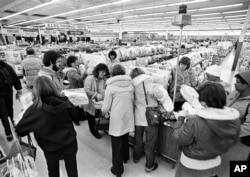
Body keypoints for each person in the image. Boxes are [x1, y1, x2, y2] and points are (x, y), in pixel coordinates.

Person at [173, 82, 240, 177]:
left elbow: (179, 138)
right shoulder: (233, 121)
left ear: (204, 102)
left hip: (191, 166)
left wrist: (180, 119)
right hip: (214, 164)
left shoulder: (195, 122)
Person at [15, 76, 78, 177]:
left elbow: (20, 130)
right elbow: (76, 115)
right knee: (72, 169)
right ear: (52, 86)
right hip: (69, 142)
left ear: (35, 90)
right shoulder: (64, 101)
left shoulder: (34, 110)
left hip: (50, 147)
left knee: (53, 170)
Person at [101, 64, 134, 177]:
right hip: (128, 115)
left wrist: (103, 112)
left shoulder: (110, 87)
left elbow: (106, 107)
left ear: (113, 74)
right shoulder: (130, 85)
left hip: (117, 117)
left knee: (116, 143)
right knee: (125, 137)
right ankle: (125, 158)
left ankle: (117, 169)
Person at [218, 71, 250, 177]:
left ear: (246, 85)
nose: (234, 84)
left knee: (230, 169)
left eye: (237, 82)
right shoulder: (235, 93)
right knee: (219, 165)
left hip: (238, 143)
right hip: (222, 139)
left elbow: (248, 127)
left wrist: (228, 131)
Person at [130, 67, 160, 172]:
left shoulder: (131, 85)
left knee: (138, 140)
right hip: (150, 117)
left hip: (138, 117)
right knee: (150, 143)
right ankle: (149, 166)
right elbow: (158, 94)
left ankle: (136, 157)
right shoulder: (148, 81)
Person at [84, 63, 109, 139]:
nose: (104, 74)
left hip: (99, 102)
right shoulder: (89, 79)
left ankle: (99, 127)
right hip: (90, 102)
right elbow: (86, 90)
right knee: (91, 117)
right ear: (97, 71)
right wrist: (95, 94)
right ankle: (93, 131)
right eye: (102, 72)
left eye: (105, 72)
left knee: (98, 116)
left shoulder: (102, 80)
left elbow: (102, 89)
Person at [0, 58, 22, 141]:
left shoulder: (5, 65)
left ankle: (12, 123)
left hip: (8, 91)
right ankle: (8, 132)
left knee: (10, 109)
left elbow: (15, 77)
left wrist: (18, 88)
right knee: (3, 112)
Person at [63, 55, 87, 125]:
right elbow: (79, 78)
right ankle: (75, 120)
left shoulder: (75, 68)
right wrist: (85, 73)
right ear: (71, 63)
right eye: (76, 61)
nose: (77, 62)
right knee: (75, 105)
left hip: (75, 88)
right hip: (73, 89)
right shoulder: (71, 71)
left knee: (79, 103)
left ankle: (82, 117)